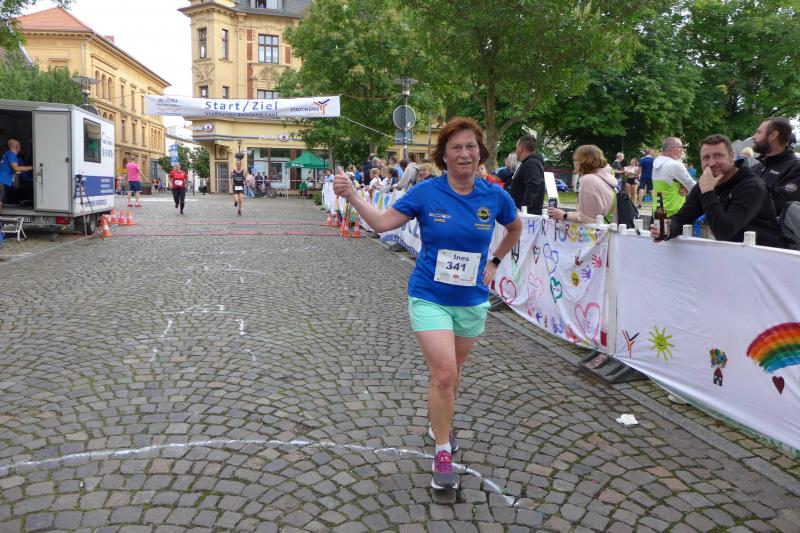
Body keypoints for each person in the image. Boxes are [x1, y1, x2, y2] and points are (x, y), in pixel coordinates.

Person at [332, 117, 522, 491]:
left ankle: (440, 421)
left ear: (480, 153)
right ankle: (442, 450)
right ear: (444, 156)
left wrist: (496, 262)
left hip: (471, 300)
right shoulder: (427, 193)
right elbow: (383, 223)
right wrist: (353, 196)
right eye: (456, 147)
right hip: (429, 296)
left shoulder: (494, 196)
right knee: (445, 373)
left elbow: (515, 228)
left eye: (471, 146)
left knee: (453, 373)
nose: (464, 153)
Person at [649, 134, 785, 248]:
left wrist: (708, 192)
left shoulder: (752, 186)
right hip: (730, 255)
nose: (712, 163)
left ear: (732, 156)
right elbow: (683, 217)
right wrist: (667, 229)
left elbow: (723, 232)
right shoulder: (706, 182)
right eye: (706, 158)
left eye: (718, 155)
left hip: (765, 258)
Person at [547, 145, 616, 223]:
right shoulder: (603, 178)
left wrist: (564, 215)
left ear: (584, 162)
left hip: (599, 229)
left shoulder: (588, 180)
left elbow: (586, 218)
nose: (574, 163)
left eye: (576, 160)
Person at [751, 117, 800, 217]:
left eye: (759, 132)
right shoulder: (755, 167)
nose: (753, 137)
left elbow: (778, 205)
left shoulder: (795, 169)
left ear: (773, 135)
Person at [652, 137, 696, 216]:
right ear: (670, 149)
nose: (682, 150)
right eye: (680, 147)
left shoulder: (657, 164)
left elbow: (668, 184)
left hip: (657, 210)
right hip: (673, 212)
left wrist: (685, 188)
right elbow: (693, 186)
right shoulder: (675, 165)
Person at [508, 134, 545, 214]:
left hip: (526, 215)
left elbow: (533, 186)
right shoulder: (529, 163)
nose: (516, 150)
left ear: (521, 149)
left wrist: (524, 208)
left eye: (517, 147)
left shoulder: (531, 164)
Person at [0, 139, 33, 212]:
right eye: (19, 145)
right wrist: (31, 167)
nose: (20, 147)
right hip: (2, 181)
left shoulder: (7, 153)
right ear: (16, 146)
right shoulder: (11, 154)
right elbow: (16, 168)